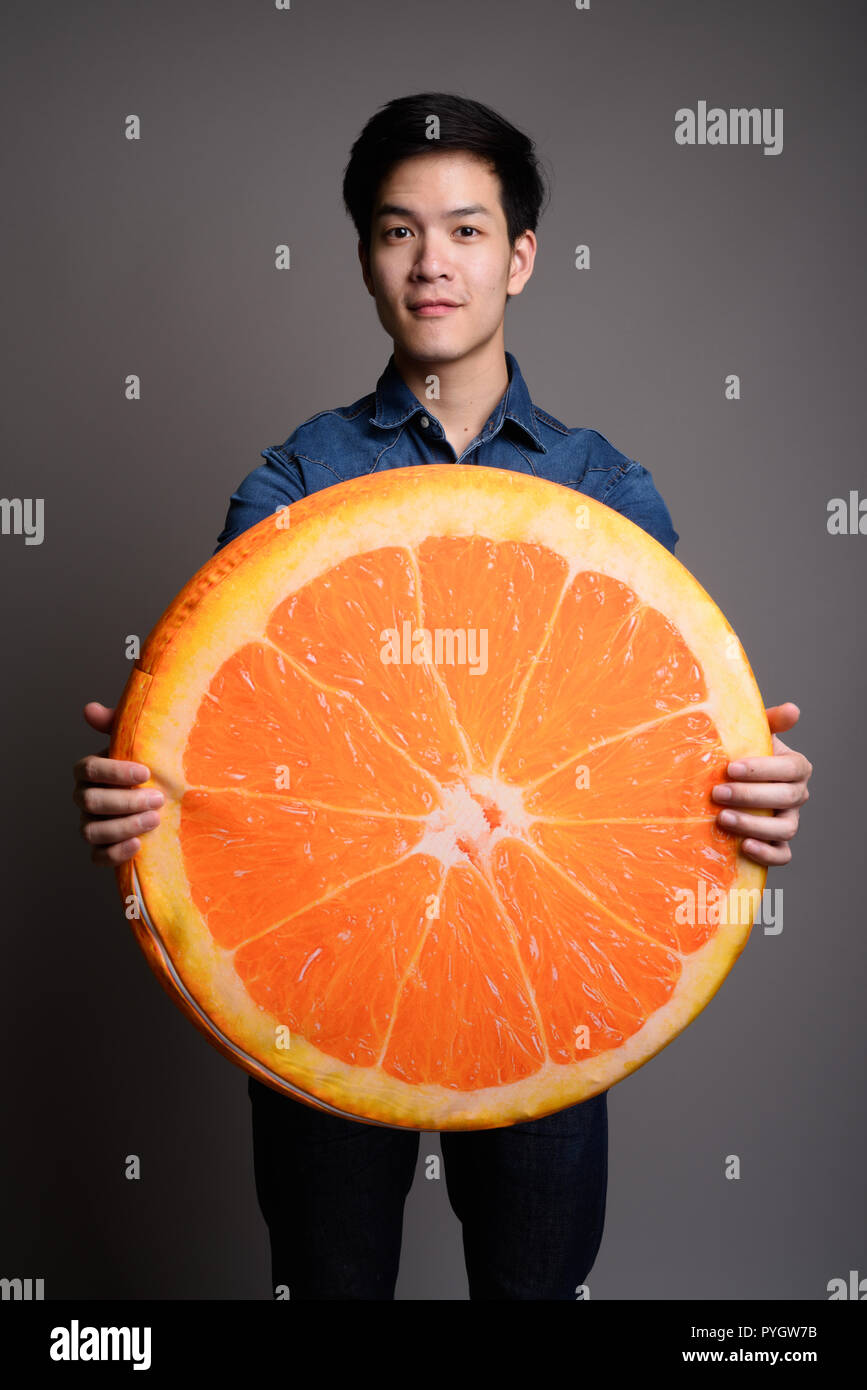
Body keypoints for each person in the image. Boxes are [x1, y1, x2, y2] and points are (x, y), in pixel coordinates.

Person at [72, 93, 813, 1300]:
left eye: (467, 231)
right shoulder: (297, 479)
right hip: (332, 969)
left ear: (519, 256)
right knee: (330, 1285)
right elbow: (232, 735)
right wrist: (136, 792)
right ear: (366, 256)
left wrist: (752, 798)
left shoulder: (605, 491)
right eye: (397, 230)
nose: (433, 263)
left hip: (541, 980)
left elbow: (666, 751)